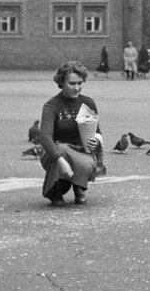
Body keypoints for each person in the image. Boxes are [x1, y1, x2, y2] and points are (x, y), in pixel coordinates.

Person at [37, 61, 104, 206]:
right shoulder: (52, 105)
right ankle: (58, 188)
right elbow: (45, 137)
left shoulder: (88, 103)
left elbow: (97, 132)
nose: (77, 87)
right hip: (54, 152)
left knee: (82, 161)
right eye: (72, 83)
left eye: (80, 83)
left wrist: (96, 141)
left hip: (82, 152)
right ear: (62, 82)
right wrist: (59, 160)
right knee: (61, 149)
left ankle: (78, 187)